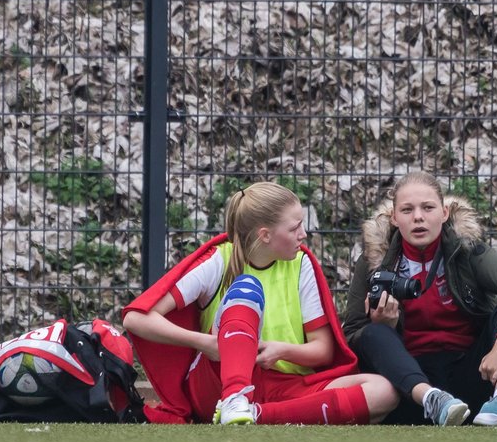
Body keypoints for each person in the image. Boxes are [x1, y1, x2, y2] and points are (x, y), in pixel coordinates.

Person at [122, 181, 397, 425]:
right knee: (247, 288)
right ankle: (234, 400)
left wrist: (280, 350)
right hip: (216, 383)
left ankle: (256, 416)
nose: (303, 234)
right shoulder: (219, 260)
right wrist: (206, 343)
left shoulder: (301, 264)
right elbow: (136, 319)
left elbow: (323, 350)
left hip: (284, 385)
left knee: (383, 391)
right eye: (295, 227)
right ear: (265, 235)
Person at [341, 172, 497, 426]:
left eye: (428, 208)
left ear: (444, 213)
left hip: (473, 379)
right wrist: (385, 327)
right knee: (372, 333)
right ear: (394, 217)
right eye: (407, 210)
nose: (418, 217)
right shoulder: (375, 261)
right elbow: (351, 332)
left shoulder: (468, 251)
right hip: (410, 390)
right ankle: (432, 398)